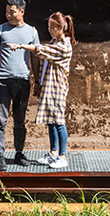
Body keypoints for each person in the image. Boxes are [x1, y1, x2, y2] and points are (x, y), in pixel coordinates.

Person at [12, 11, 75, 169]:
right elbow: (44, 64)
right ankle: (53, 153)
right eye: (49, 27)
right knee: (51, 122)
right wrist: (38, 83)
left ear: (61, 28)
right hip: (48, 87)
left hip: (58, 88)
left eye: (53, 27)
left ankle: (62, 156)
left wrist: (21, 45)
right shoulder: (54, 42)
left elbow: (41, 50)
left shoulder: (64, 46)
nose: (50, 30)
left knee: (59, 122)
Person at [0, 0, 41, 169]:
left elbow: (35, 56)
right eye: (7, 11)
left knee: (20, 120)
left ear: (22, 12)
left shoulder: (32, 31)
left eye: (12, 11)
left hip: (23, 80)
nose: (9, 15)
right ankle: (0, 156)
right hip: (3, 81)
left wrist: (37, 79)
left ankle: (19, 153)